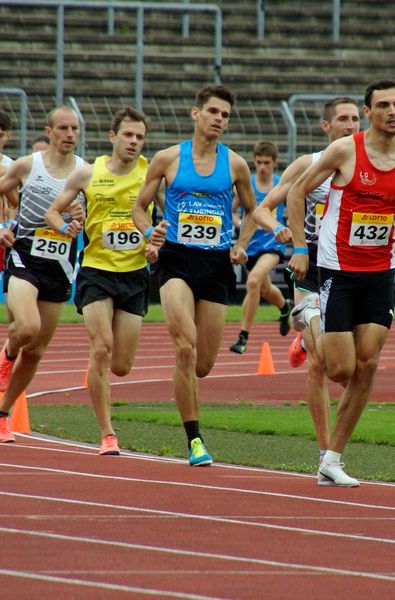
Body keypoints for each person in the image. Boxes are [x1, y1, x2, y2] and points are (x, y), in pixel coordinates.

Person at [287, 79, 395, 486]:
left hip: (380, 273)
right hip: (337, 270)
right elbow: (297, 192)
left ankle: (332, 459)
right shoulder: (345, 150)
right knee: (339, 369)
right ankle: (309, 314)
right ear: (369, 112)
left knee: (367, 364)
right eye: (383, 105)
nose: (392, 112)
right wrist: (300, 246)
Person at [132, 85, 256, 466]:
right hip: (176, 260)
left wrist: (241, 244)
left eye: (226, 115)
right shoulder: (168, 159)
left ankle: (188, 388)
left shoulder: (235, 164)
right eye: (214, 112)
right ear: (196, 113)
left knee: (203, 365)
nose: (219, 119)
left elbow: (252, 211)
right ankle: (195, 440)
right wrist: (147, 232)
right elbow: (139, 208)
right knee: (184, 345)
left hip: (217, 264)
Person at [253, 97, 360, 482]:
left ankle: (303, 334)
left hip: (351, 266)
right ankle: (324, 457)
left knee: (348, 371)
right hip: (309, 263)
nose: (351, 125)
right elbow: (262, 208)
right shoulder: (307, 164)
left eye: (355, 119)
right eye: (343, 120)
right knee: (320, 365)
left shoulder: (365, 164)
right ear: (325, 127)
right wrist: (278, 229)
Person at [45, 107, 161, 455]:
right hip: (96, 270)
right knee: (101, 348)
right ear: (113, 137)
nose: (134, 142)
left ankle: (98, 374)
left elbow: (165, 220)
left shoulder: (151, 173)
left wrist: (156, 244)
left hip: (135, 273)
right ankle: (107, 433)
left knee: (121, 366)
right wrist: (65, 227)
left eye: (140, 137)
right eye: (128, 135)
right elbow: (53, 210)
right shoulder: (88, 173)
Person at [0, 105, 86, 443]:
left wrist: (82, 217)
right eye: (63, 128)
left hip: (61, 265)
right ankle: (7, 354)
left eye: (74, 129)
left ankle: (2, 413)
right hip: (25, 257)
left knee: (37, 350)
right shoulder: (28, 165)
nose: (69, 135)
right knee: (27, 327)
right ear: (49, 131)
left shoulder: (86, 172)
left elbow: (100, 212)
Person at [228, 141, 292, 354]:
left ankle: (243, 337)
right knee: (263, 289)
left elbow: (294, 209)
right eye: (258, 162)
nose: (262, 166)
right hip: (250, 246)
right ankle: (284, 308)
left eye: (267, 163)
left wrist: (286, 227)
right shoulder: (248, 185)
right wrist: (240, 223)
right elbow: (233, 211)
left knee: (253, 281)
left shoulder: (280, 184)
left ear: (275, 162)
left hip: (272, 245)